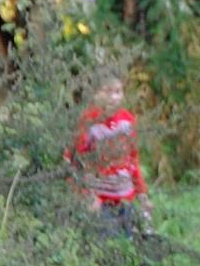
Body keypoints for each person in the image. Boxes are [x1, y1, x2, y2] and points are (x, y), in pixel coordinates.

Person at [65, 76, 155, 236]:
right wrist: (87, 195)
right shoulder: (88, 122)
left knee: (128, 241)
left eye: (117, 92)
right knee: (103, 242)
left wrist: (141, 193)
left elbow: (132, 159)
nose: (113, 98)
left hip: (124, 197)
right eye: (107, 92)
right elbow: (73, 160)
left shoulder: (127, 120)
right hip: (99, 200)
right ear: (95, 94)